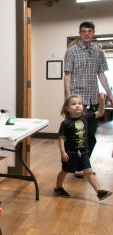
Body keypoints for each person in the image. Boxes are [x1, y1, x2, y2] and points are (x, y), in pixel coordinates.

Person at [64, 21, 112, 178]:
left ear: (93, 33)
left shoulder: (99, 51)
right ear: (79, 33)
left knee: (91, 138)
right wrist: (68, 97)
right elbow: (67, 75)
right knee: (76, 138)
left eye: (89, 31)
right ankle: (76, 167)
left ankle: (82, 166)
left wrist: (109, 94)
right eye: (83, 31)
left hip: (93, 100)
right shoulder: (71, 52)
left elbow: (101, 75)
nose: (86, 33)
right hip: (77, 101)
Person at [55, 95, 112, 201]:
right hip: (70, 153)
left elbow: (100, 112)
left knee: (89, 172)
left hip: (84, 153)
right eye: (74, 104)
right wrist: (63, 152)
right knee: (65, 171)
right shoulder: (65, 123)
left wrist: (102, 102)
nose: (77, 106)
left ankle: (99, 192)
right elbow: (61, 138)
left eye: (79, 104)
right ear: (67, 108)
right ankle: (58, 188)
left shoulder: (85, 117)